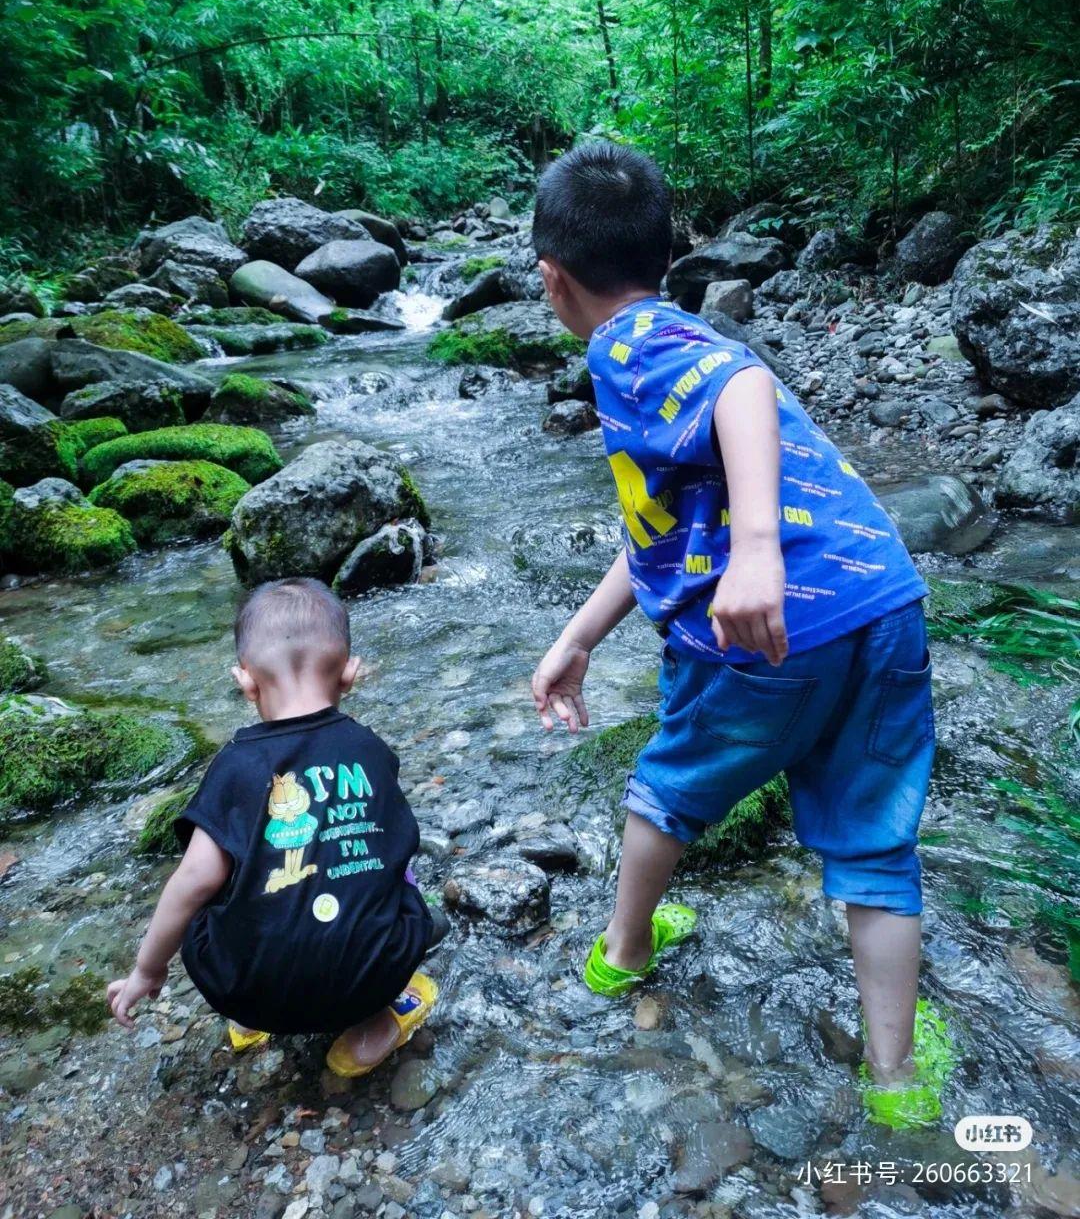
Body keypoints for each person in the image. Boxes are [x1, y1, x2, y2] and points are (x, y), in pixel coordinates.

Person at [529, 141, 953, 1127]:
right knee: (877, 846)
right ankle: (894, 1080)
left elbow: (743, 388)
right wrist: (581, 634)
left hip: (765, 631)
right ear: (668, 256)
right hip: (881, 604)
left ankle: (626, 950)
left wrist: (757, 551)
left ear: (553, 281)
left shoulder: (628, 348)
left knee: (669, 787)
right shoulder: (667, 336)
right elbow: (658, 538)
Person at [107, 578, 439, 1077]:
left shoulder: (236, 766)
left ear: (245, 682)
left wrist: (147, 970)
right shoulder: (371, 751)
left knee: (211, 884)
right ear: (349, 675)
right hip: (369, 978)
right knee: (392, 875)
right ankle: (375, 1022)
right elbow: (394, 848)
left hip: (249, 994)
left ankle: (251, 1021)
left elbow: (192, 883)